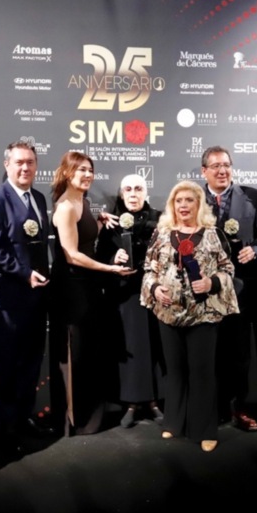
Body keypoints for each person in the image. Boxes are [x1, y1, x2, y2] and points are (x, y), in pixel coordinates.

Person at [140, 180, 239, 452]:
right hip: (168, 312)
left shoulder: (213, 234)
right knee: (175, 371)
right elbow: (149, 269)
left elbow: (228, 269)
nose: (183, 205)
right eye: (178, 201)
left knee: (203, 372)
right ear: (172, 205)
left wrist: (212, 284)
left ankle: (205, 429)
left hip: (204, 314)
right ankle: (173, 422)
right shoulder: (161, 234)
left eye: (189, 200)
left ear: (199, 204)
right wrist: (155, 287)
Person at [50, 151, 133, 435]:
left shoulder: (82, 202)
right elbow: (72, 255)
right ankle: (75, 422)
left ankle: (89, 418)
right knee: (75, 355)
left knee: (88, 353)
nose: (87, 175)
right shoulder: (65, 207)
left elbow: (84, 239)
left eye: (90, 170)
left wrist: (97, 221)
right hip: (72, 288)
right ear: (67, 173)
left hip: (86, 287)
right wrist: (109, 270)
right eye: (81, 170)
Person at [0, 140, 53, 439]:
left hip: (36, 298)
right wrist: (24, 274)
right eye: (19, 162)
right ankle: (6, 428)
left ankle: (24, 417)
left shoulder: (38, 198)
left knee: (31, 363)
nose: (25, 167)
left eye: (30, 162)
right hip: (7, 301)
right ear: (6, 164)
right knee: (6, 365)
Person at [200, 146, 257, 431]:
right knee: (208, 351)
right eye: (215, 166)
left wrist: (256, 250)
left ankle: (240, 407)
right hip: (203, 291)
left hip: (241, 290)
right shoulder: (191, 199)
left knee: (239, 354)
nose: (222, 170)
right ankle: (211, 409)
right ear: (204, 171)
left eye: (226, 165)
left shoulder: (252, 198)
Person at [96, 174, 164, 428]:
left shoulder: (161, 220)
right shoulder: (112, 223)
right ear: (121, 195)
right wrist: (115, 257)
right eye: (128, 189)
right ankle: (132, 402)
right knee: (133, 349)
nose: (133, 194)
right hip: (125, 294)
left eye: (138, 188)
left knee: (156, 347)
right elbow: (100, 256)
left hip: (157, 294)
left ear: (146, 192)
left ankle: (154, 401)